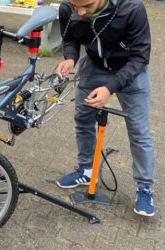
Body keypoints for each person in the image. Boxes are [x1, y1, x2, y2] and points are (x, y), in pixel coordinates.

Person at [56, 0, 156, 216]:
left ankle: (145, 187)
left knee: (138, 130)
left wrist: (109, 88)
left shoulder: (132, 9)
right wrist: (71, 58)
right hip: (94, 66)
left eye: (87, 6)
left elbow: (141, 56)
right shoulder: (67, 7)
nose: (80, 12)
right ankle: (86, 169)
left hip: (130, 69)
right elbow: (70, 38)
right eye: (76, 7)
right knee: (83, 119)